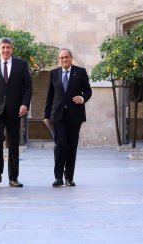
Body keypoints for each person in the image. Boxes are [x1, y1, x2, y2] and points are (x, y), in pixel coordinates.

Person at [0, 37, 32, 188]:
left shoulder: (21, 65)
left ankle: (13, 178)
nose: (6, 50)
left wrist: (25, 104)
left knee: (14, 143)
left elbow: (28, 87)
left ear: (12, 49)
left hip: (15, 110)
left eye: (8, 47)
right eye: (3, 47)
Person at [43, 48, 92, 187]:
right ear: (59, 60)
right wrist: (46, 115)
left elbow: (88, 91)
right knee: (60, 145)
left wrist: (82, 98)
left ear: (71, 58)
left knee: (71, 146)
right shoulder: (53, 73)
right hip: (57, 116)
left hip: (74, 116)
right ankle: (58, 177)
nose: (64, 60)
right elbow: (50, 96)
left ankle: (69, 177)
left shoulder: (80, 72)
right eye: (61, 58)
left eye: (66, 57)